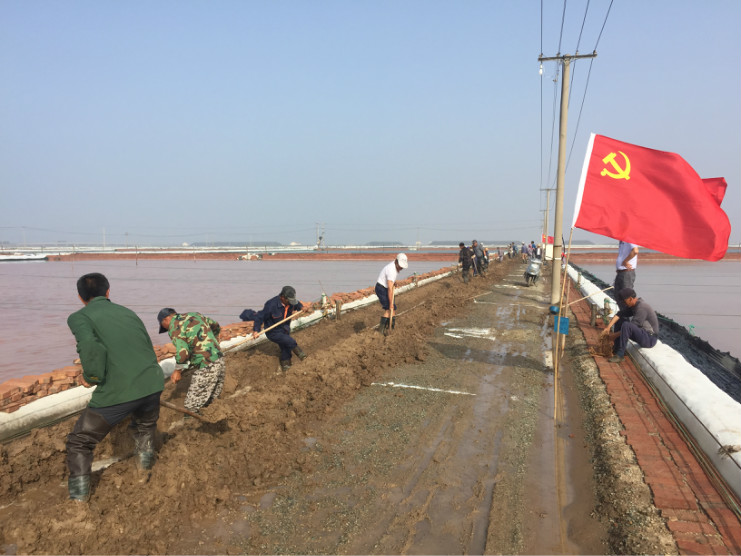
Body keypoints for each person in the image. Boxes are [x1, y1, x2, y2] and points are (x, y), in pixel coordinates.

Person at [66, 273, 164, 502]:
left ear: (80, 297)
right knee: (145, 426)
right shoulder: (128, 313)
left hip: (120, 390)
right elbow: (144, 345)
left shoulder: (79, 317)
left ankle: (79, 501)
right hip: (152, 383)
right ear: (108, 291)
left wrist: (91, 377)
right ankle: (143, 472)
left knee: (80, 441)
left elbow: (90, 347)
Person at [157, 308, 225, 413]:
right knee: (212, 399)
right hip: (219, 358)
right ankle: (212, 417)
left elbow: (183, 352)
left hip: (206, 364)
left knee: (191, 406)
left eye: (163, 326)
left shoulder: (174, 326)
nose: (166, 329)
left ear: (165, 319)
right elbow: (215, 325)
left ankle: (191, 423)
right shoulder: (195, 315)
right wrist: (214, 340)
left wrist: (177, 371)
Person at [251, 286, 306, 372]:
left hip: (285, 329)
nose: (290, 303)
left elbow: (297, 304)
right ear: (282, 297)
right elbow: (259, 317)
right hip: (273, 331)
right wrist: (256, 330)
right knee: (290, 341)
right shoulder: (271, 305)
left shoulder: (290, 302)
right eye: (289, 300)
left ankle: (286, 365)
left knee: (285, 346)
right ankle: (303, 357)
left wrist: (302, 307)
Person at [600, 288, 659, 363]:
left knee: (626, 325)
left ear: (630, 299)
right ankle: (616, 349)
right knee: (621, 320)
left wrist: (613, 336)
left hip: (650, 338)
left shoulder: (642, 307)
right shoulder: (633, 305)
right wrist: (608, 327)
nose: (624, 304)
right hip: (643, 333)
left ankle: (620, 355)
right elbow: (619, 314)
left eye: (624, 301)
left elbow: (632, 326)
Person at [376, 253, 408, 335]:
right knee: (388, 309)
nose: (401, 268)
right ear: (396, 262)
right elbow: (390, 289)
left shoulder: (394, 266)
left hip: (385, 287)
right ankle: (380, 332)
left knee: (393, 309)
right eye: (400, 266)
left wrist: (393, 282)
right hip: (381, 289)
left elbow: (390, 281)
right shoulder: (391, 270)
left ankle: (391, 329)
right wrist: (390, 304)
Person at [614, 241, 639, 310]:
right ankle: (623, 314)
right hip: (621, 272)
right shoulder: (622, 241)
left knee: (627, 297)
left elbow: (635, 251)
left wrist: (625, 261)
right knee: (618, 296)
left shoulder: (630, 238)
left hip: (626, 273)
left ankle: (629, 315)